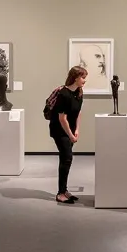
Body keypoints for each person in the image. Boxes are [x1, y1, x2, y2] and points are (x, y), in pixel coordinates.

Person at [49, 65, 86, 204]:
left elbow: (78, 112)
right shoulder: (63, 94)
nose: (84, 80)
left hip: (70, 130)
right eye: (83, 77)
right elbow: (62, 118)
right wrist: (70, 135)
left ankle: (64, 190)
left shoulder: (79, 93)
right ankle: (60, 193)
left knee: (66, 159)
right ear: (75, 78)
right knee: (66, 159)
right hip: (60, 130)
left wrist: (77, 130)